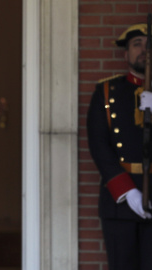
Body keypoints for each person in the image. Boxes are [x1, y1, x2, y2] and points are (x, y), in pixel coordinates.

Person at [87, 23, 152, 270]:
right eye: (137, 44)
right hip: (120, 200)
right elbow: (99, 145)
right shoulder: (106, 91)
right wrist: (128, 191)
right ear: (125, 54)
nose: (144, 50)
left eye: (150, 45)